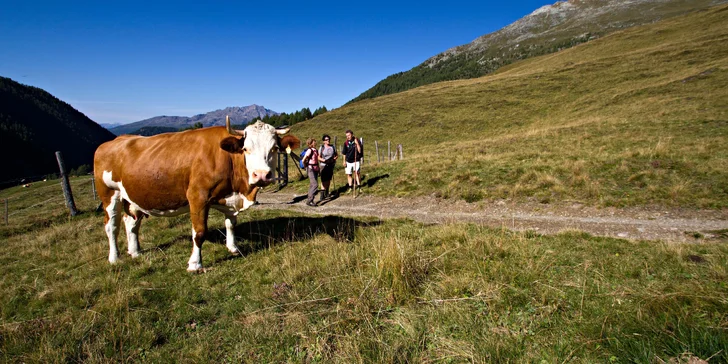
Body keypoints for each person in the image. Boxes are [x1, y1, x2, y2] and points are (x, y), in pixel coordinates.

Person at [341, 129, 362, 194]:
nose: (348, 137)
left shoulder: (357, 140)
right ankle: (350, 187)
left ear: (352, 135)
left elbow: (359, 151)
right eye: (347, 136)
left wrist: (357, 143)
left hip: (356, 160)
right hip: (348, 161)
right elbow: (344, 153)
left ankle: (359, 186)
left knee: (357, 173)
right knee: (349, 174)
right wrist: (344, 161)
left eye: (349, 135)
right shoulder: (346, 143)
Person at [318, 134, 337, 201]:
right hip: (323, 165)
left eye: (328, 139)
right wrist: (324, 160)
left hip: (330, 165)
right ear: (324, 141)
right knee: (323, 180)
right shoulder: (322, 147)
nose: (328, 140)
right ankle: (322, 195)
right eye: (326, 140)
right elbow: (318, 157)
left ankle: (326, 193)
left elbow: (336, 155)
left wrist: (334, 159)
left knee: (328, 180)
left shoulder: (332, 147)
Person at [302, 138, 320, 206]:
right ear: (310, 143)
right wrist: (305, 166)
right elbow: (304, 159)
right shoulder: (309, 150)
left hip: (315, 168)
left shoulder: (316, 150)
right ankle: (310, 200)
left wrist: (318, 170)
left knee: (312, 185)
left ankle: (310, 200)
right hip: (310, 169)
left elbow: (316, 161)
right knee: (315, 184)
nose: (315, 142)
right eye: (314, 141)